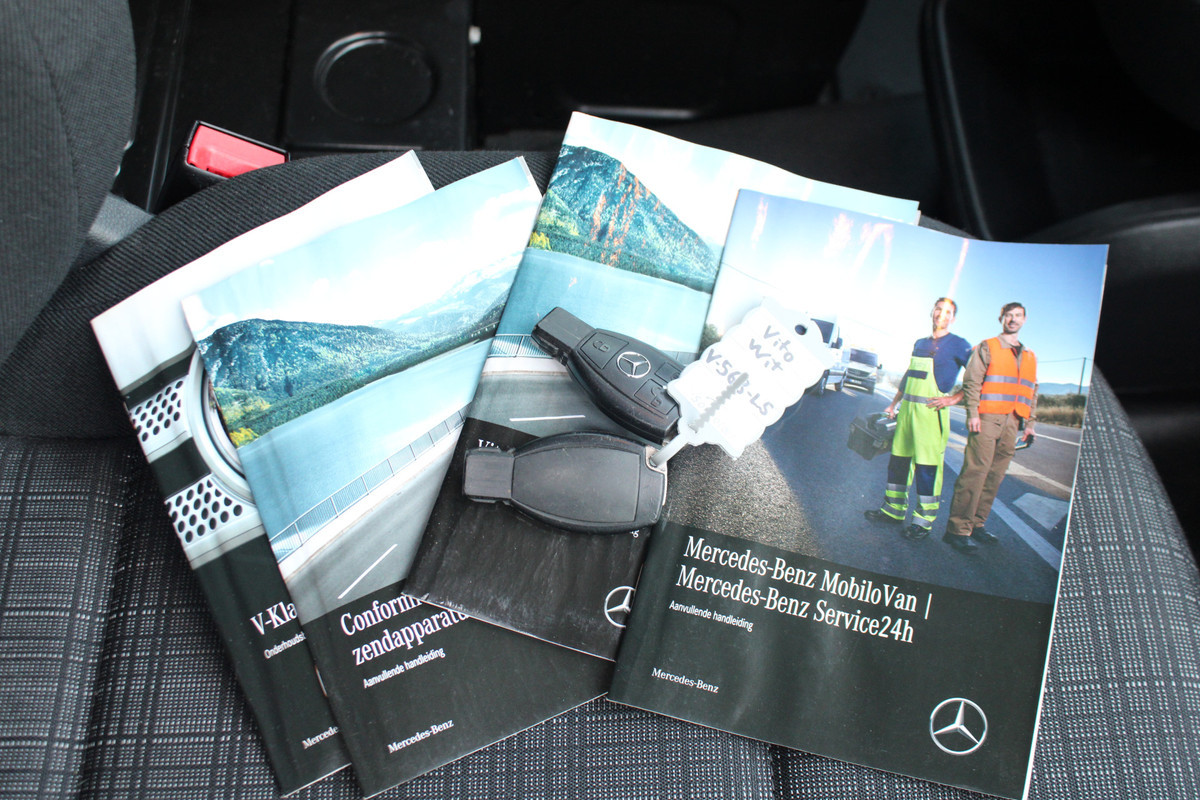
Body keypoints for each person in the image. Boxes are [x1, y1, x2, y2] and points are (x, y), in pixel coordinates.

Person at [864, 297, 972, 539]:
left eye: (948, 312)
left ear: (953, 319)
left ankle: (923, 523)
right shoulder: (920, 343)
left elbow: (978, 377)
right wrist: (893, 404)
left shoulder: (960, 345)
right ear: (932, 312)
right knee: (899, 463)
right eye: (938, 309)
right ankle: (893, 511)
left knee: (927, 468)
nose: (941, 315)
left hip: (931, 415)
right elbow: (908, 375)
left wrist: (953, 399)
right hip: (907, 413)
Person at [943, 302, 1038, 554]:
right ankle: (957, 530)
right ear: (1001, 318)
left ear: (1024, 320)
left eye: (1018, 316)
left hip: (1013, 422)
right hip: (986, 419)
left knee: (995, 476)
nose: (1013, 319)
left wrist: (1030, 424)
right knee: (975, 473)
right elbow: (972, 381)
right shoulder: (988, 346)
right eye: (1009, 315)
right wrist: (973, 413)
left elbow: (1032, 391)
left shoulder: (1030, 356)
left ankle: (976, 524)